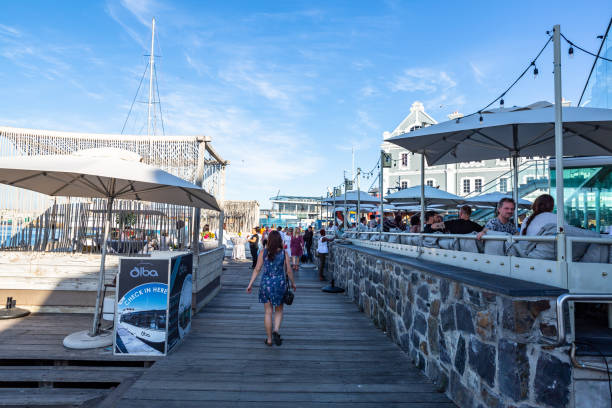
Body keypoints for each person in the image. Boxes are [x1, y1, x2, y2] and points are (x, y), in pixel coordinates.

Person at [246, 230, 296, 347]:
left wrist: (250, 284)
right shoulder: (284, 254)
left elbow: (257, 269)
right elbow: (288, 271)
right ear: (279, 240)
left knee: (268, 312)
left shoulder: (263, 252)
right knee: (278, 310)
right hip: (279, 284)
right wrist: (293, 283)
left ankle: (269, 339)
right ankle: (276, 330)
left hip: (266, 285)